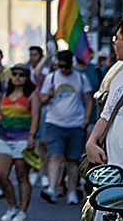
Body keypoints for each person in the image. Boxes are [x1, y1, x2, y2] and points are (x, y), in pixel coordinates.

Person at [37, 48, 93, 204]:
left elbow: (88, 99)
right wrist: (47, 96)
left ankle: (72, 191)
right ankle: (52, 188)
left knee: (72, 160)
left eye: (66, 66)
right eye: (61, 66)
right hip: (54, 122)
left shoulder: (81, 78)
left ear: (71, 64)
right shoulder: (51, 78)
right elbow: (41, 100)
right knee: (54, 155)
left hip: (76, 123)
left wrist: (87, 119)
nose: (63, 69)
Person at [86, 16, 123, 172]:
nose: (114, 43)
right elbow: (106, 116)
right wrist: (91, 142)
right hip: (113, 174)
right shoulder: (119, 75)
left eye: (117, 38)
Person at [0, 64, 37, 221]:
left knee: (21, 175)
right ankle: (12, 206)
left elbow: (35, 117)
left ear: (27, 78)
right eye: (15, 74)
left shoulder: (32, 95)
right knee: (1, 174)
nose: (17, 77)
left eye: (22, 75)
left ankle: (23, 210)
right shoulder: (6, 93)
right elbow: (2, 113)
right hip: (5, 137)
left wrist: (32, 137)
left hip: (22, 138)